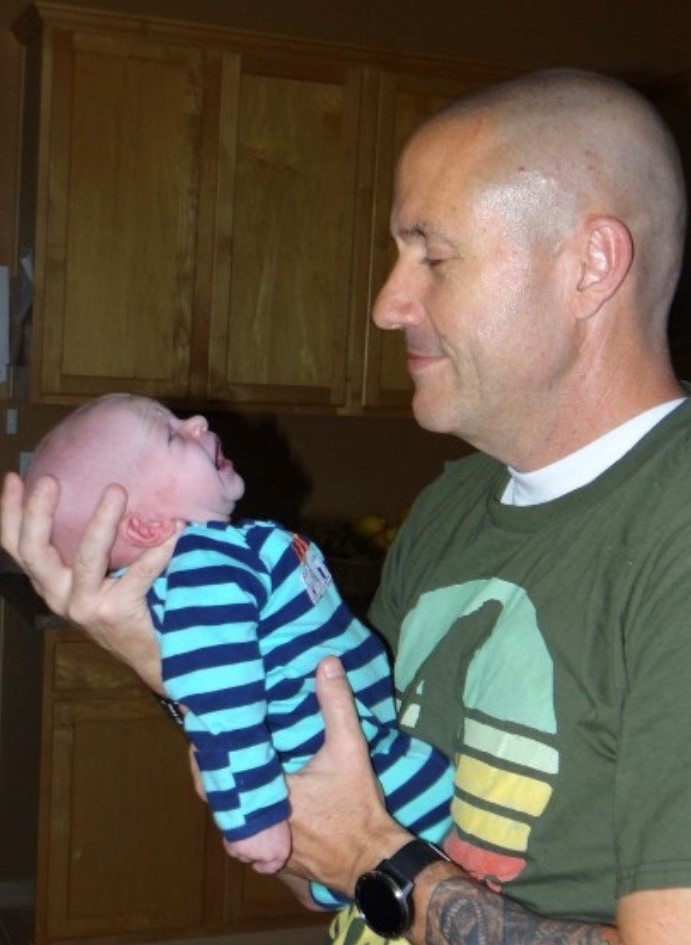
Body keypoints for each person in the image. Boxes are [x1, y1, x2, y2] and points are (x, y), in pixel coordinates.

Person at [2, 65, 690, 944]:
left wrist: (380, 855)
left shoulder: (672, 529)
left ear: (589, 264)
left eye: (432, 257)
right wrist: (159, 652)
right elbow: (319, 867)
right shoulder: (453, 505)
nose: (385, 304)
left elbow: (361, 849)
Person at [23, 391, 454, 909]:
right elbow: (219, 698)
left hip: (364, 760)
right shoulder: (204, 564)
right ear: (145, 526)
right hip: (364, 776)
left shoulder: (222, 554)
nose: (197, 423)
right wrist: (255, 813)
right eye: (170, 434)